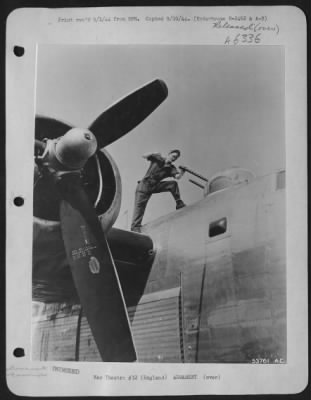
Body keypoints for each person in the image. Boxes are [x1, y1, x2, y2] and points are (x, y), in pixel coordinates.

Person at [131, 150, 186, 232]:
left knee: (173, 184)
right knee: (140, 207)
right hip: (144, 186)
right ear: (169, 154)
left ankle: (179, 203)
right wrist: (153, 153)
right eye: (173, 156)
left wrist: (182, 172)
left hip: (154, 186)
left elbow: (177, 177)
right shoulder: (158, 158)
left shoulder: (170, 168)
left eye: (175, 158)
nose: (174, 159)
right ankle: (135, 227)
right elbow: (144, 155)